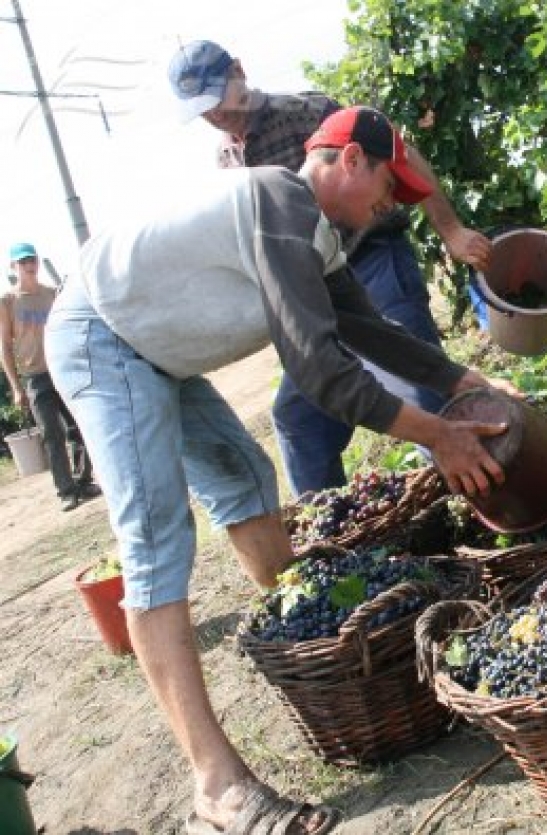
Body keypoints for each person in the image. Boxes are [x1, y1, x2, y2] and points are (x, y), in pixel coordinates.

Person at [46, 105, 517, 835]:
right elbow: (323, 371)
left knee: (243, 475)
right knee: (157, 537)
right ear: (349, 161)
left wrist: (464, 386)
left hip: (157, 350)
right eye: (390, 186)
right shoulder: (276, 198)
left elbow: (369, 334)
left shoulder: (319, 238)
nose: (391, 205)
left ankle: (315, 647)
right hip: (103, 336)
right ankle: (217, 785)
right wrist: (437, 436)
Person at [168, 39, 493, 496]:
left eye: (216, 98)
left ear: (239, 71)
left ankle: (483, 493)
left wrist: (452, 229)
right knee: (299, 420)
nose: (214, 114)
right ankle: (332, 536)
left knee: (422, 389)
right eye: (200, 109)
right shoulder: (226, 161)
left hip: (372, 262)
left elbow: (395, 153)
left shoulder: (306, 111)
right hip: (313, 289)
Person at [0, 243, 100, 511]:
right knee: (51, 433)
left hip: (63, 369)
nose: (29, 265)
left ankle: (84, 481)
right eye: (22, 262)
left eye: (31, 260)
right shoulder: (8, 301)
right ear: (14, 267)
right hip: (35, 376)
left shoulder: (52, 294)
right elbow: (5, 347)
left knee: (78, 426)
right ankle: (66, 491)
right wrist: (16, 386)